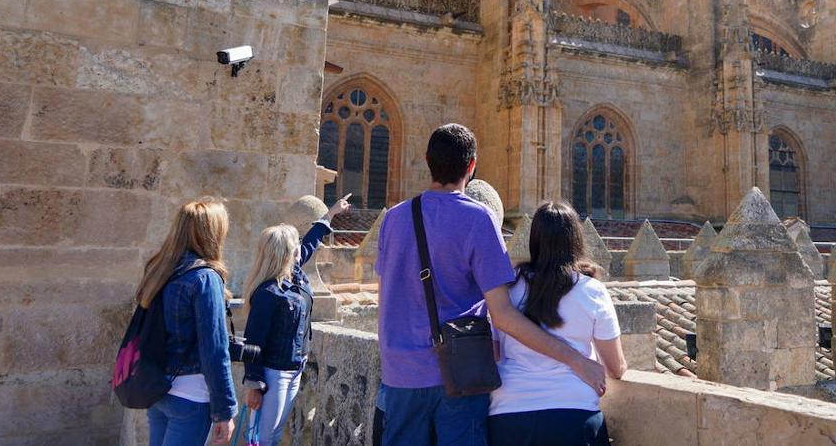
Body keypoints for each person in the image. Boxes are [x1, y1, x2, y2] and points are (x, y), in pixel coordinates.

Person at [376, 123, 607, 446]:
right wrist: (576, 359)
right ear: (471, 166)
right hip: (459, 376)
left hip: (399, 376)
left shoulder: (394, 218)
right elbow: (503, 315)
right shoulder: (478, 218)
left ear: (428, 160)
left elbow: (390, 291)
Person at [488, 202, 626, 446]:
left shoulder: (507, 292)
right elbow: (616, 368)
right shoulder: (592, 291)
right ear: (576, 239)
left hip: (509, 414)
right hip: (574, 412)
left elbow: (495, 353)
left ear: (534, 240)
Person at [241, 193, 351, 446]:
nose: (299, 248)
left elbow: (311, 242)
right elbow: (254, 341)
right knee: (263, 437)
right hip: (273, 374)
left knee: (274, 434)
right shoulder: (268, 293)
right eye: (294, 246)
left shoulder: (295, 274)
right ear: (284, 252)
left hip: (294, 369)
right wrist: (254, 384)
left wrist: (331, 214)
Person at [135, 197, 238, 446]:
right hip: (190, 396)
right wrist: (225, 410)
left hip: (157, 388)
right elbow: (214, 349)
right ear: (213, 234)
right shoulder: (204, 278)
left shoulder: (160, 269)